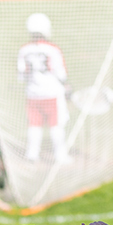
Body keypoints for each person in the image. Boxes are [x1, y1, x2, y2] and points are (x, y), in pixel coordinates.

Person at [17, 13, 71, 165]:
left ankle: (32, 154)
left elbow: (21, 74)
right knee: (56, 125)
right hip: (52, 94)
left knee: (34, 125)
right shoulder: (53, 49)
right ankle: (60, 156)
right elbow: (61, 72)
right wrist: (66, 86)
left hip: (33, 95)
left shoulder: (24, 49)